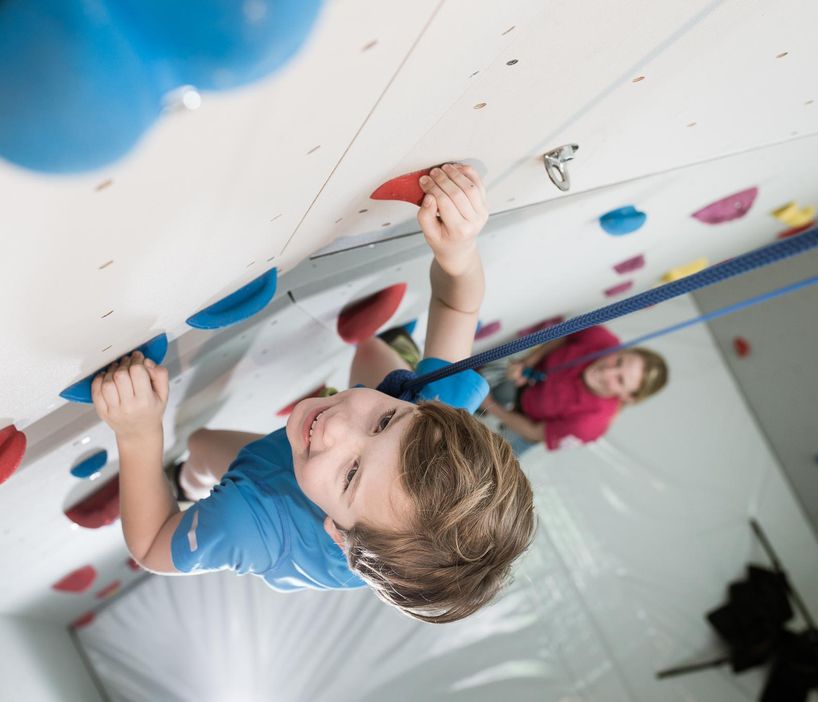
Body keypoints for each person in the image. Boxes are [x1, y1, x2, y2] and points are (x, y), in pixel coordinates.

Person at [92, 164, 536, 624]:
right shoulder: (433, 430)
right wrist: (459, 251)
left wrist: (139, 433)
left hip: (279, 496)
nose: (338, 427)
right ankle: (389, 375)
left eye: (351, 474)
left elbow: (151, 545)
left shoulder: (256, 527)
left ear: (340, 536)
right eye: (385, 422)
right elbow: (456, 303)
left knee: (204, 444)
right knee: (377, 361)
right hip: (342, 463)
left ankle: (183, 477)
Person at [480, 326, 668, 452]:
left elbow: (535, 431)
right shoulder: (603, 340)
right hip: (521, 384)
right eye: (618, 361)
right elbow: (566, 335)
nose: (607, 370)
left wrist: (491, 405)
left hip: (527, 428)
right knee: (478, 380)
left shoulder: (590, 425)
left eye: (619, 380)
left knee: (486, 458)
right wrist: (527, 362)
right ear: (623, 350)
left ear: (627, 397)